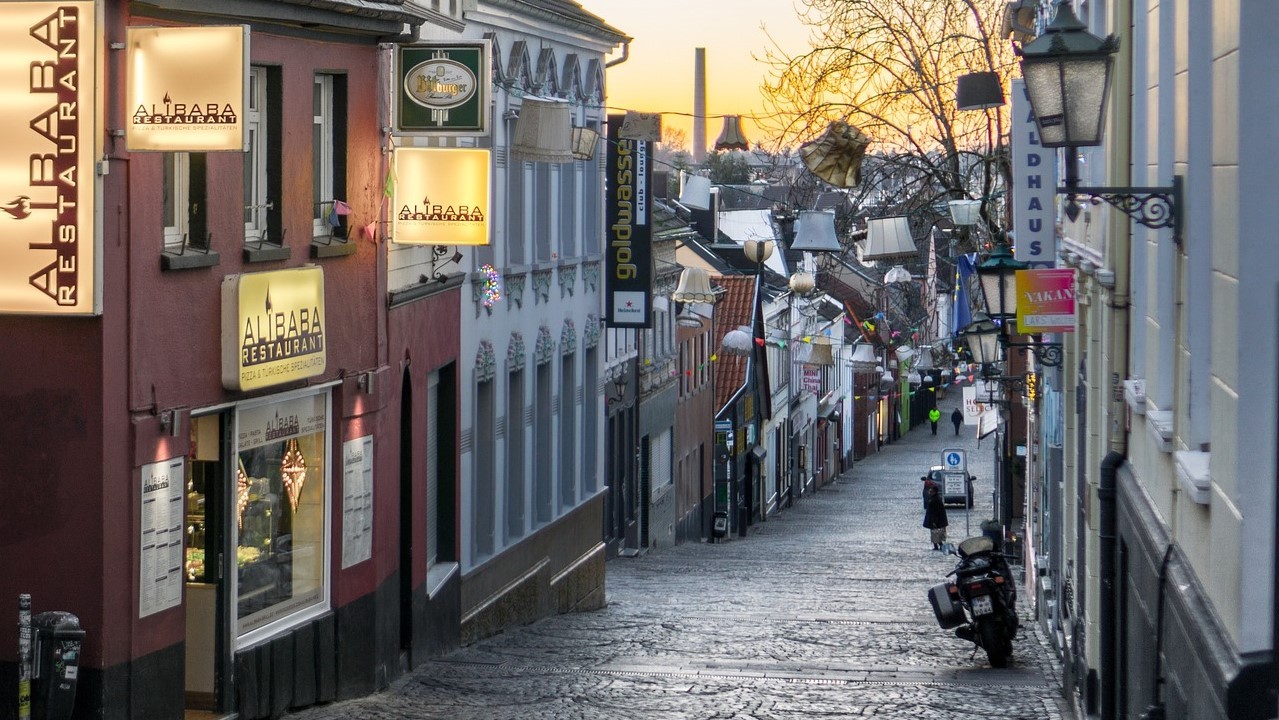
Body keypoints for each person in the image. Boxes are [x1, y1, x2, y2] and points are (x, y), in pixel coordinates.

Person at [923, 486, 949, 550]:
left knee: (935, 533)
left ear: (933, 491)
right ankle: (939, 544)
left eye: (930, 490)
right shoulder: (934, 498)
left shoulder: (935, 500)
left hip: (936, 521)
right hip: (938, 520)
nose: (929, 491)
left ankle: (937, 545)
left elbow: (935, 512)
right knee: (937, 533)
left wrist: (934, 521)